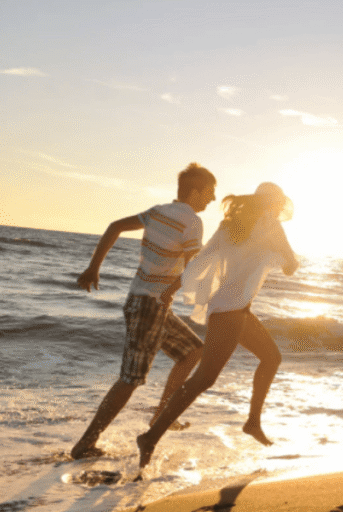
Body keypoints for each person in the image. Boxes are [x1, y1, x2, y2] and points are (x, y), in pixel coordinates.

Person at [136, 182, 299, 471]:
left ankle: (252, 422)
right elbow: (291, 264)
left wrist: (174, 288)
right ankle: (150, 437)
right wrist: (284, 259)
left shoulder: (230, 225)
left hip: (228, 308)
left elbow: (200, 261)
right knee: (204, 379)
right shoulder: (272, 225)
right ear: (273, 203)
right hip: (231, 312)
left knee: (272, 357)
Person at [70, 162, 216, 460]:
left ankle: (162, 416)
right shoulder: (191, 221)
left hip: (145, 302)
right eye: (210, 193)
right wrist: (171, 291)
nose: (212, 200)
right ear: (196, 191)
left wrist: (93, 267)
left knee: (192, 352)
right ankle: (84, 444)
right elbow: (193, 269)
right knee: (131, 378)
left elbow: (115, 226)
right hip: (150, 304)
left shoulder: (157, 211)